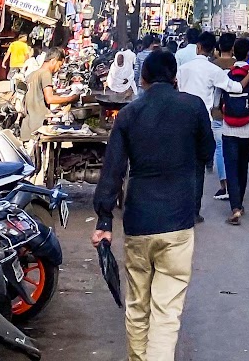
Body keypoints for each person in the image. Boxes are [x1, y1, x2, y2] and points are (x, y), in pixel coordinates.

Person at [93, 51, 215, 361]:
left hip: (139, 222)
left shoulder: (130, 114)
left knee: (138, 306)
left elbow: (113, 170)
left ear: (142, 79)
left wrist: (104, 220)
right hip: (178, 221)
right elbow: (207, 150)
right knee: (166, 311)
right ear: (175, 78)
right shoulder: (193, 107)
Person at [215, 36, 249, 225]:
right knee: (241, 166)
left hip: (228, 128)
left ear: (232, 52)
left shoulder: (225, 73)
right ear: (248, 53)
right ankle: (239, 203)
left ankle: (235, 207)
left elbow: (216, 102)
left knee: (230, 167)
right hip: (248, 128)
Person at [176, 32, 228, 207]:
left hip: (182, 119)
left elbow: (177, 89)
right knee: (199, 168)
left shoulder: (183, 69)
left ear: (198, 47)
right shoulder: (215, 70)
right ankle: (195, 210)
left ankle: (181, 204)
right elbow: (233, 87)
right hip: (204, 122)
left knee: (182, 164)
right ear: (213, 50)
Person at [22, 47, 80, 135]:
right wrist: (71, 98)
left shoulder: (33, 74)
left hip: (28, 125)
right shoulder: (46, 74)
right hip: (38, 126)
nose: (59, 69)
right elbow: (50, 99)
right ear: (53, 61)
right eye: (59, 65)